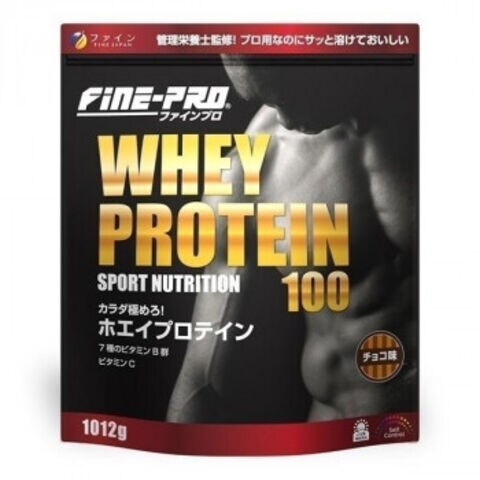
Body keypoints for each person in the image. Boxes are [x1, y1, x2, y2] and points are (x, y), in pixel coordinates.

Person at [166, 55, 418, 422]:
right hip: (341, 434)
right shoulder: (253, 167)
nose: (284, 119)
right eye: (268, 102)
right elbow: (202, 376)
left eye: (288, 94)